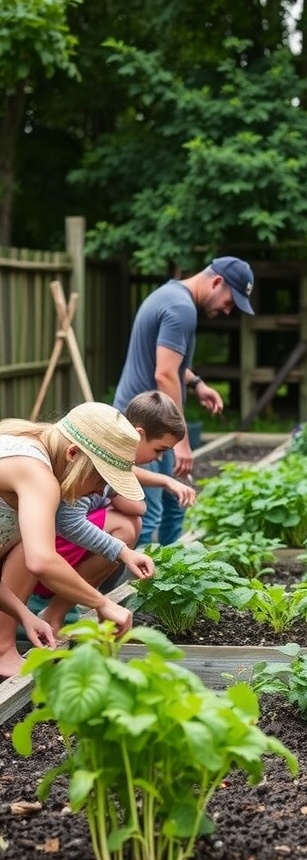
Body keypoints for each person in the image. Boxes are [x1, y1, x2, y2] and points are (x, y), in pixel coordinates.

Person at [0, 402, 151, 679]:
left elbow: (65, 522)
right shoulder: (38, 474)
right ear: (73, 454)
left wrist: (24, 614)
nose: (98, 491)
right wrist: (102, 603)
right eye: (98, 481)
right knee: (34, 544)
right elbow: (42, 560)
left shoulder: (28, 447)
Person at [113, 256, 255, 546]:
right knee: (148, 517)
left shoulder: (172, 296)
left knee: (176, 506)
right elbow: (164, 374)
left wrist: (196, 384)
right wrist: (182, 442)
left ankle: (173, 581)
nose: (228, 311)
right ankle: (136, 589)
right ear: (217, 282)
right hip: (141, 427)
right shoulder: (181, 308)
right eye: (230, 302)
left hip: (155, 422)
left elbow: (171, 364)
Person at [27, 391, 195, 634]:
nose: (159, 458)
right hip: (42, 557)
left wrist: (162, 481)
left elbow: (135, 504)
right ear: (138, 436)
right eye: (159, 450)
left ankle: (58, 609)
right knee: (126, 526)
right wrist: (122, 552)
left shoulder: (98, 464)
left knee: (130, 522)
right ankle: (52, 613)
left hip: (50, 550)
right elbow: (133, 507)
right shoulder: (86, 470)